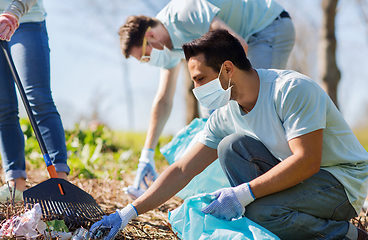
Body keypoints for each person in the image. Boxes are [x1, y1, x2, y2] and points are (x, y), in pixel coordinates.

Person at [91, 29, 368, 240]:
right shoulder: (227, 113)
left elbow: (308, 161)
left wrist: (243, 194)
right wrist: (129, 211)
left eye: (200, 79)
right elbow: (182, 169)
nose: (195, 89)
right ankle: (279, 216)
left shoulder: (290, 90)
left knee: (259, 213)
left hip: (341, 183)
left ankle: (346, 234)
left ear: (227, 69)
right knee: (231, 146)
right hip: (303, 180)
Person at [119, 0, 296, 199]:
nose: (148, 63)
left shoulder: (184, 13)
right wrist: (147, 154)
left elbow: (240, 47)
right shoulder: (166, 47)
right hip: (245, 38)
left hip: (268, 26)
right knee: (209, 116)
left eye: (144, 57)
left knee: (255, 101)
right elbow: (164, 100)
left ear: (150, 37)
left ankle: (278, 183)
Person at [0, 0, 70, 202]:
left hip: (26, 20)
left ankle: (60, 183)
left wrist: (14, 12)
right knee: (3, 108)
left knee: (37, 99)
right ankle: (15, 187)